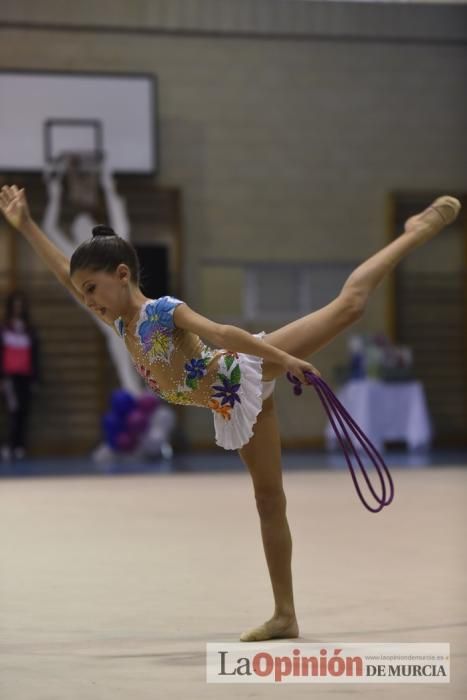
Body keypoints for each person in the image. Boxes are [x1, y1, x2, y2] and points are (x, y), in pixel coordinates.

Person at [0, 184, 460, 641]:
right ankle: (286, 615)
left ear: (123, 274)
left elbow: (222, 332)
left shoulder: (161, 312)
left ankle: (414, 233)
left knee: (350, 306)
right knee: (268, 500)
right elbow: (65, 274)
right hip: (232, 404)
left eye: (92, 289)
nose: (88, 300)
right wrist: (26, 226)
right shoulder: (119, 321)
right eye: (84, 295)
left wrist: (286, 360)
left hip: (246, 368)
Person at [0, 289, 40, 460]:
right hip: (10, 377)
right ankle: (10, 445)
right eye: (15, 306)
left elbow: (35, 356)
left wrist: (35, 378)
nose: (17, 309)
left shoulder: (29, 330)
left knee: (24, 411)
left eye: (20, 306)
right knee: (13, 411)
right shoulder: (4, 329)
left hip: (25, 376)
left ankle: (20, 446)